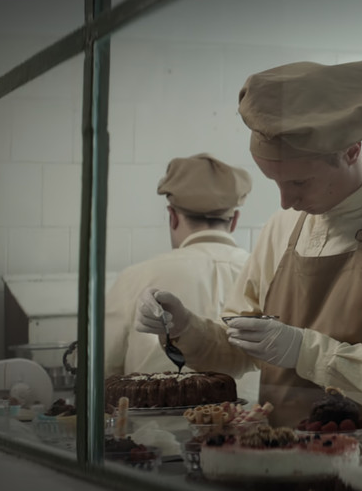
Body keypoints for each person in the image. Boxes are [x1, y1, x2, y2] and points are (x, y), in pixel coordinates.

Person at [134, 59, 362, 453]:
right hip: (274, 466)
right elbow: (235, 351)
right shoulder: (283, 228)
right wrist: (184, 327)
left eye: (299, 182)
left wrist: (308, 352)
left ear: (351, 151)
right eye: (275, 182)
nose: (286, 200)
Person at [103, 153, 252, 379]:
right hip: (252, 415)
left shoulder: (136, 277)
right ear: (235, 219)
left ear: (172, 216)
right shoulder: (262, 273)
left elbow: (100, 368)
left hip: (152, 415)